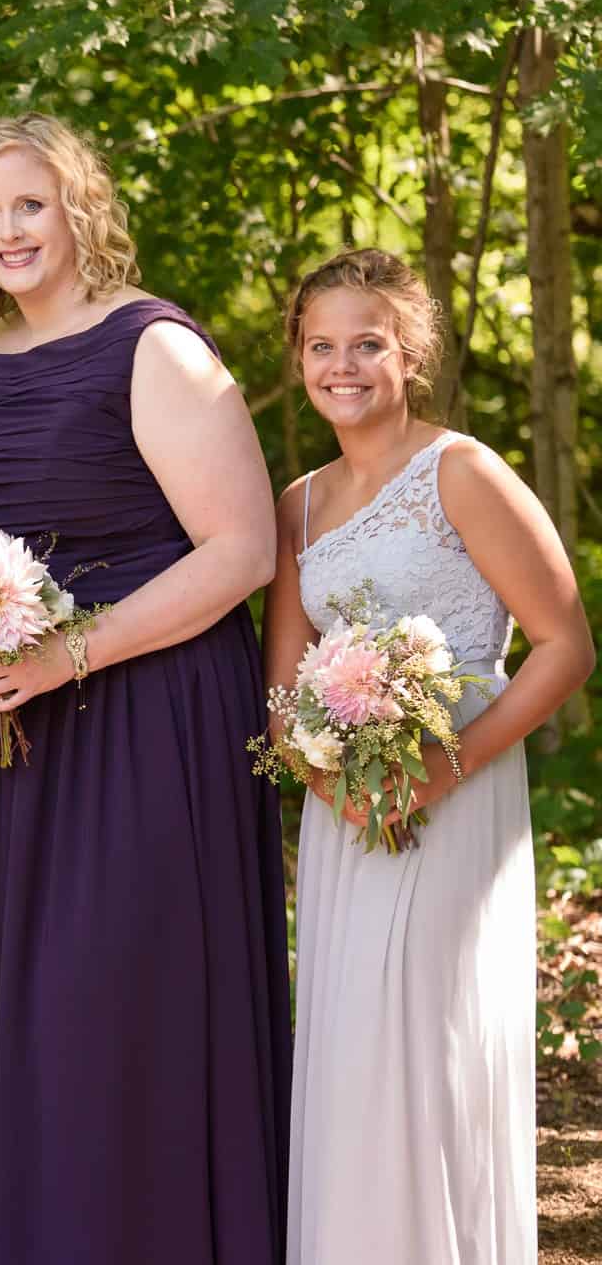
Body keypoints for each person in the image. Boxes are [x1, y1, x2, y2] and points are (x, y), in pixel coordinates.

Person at [0, 112, 290, 1263]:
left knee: (116, 1014)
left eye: (27, 203)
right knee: (28, 1026)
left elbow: (240, 551)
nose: (6, 230)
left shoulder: (153, 347)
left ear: (78, 206)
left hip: (147, 720)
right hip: (8, 738)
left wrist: (65, 656)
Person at [268, 248, 591, 1264]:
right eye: (321, 346)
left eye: (366, 343)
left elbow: (563, 647)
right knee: (350, 1052)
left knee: (433, 1046)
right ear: (298, 361)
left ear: (408, 354)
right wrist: (329, 780)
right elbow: (280, 687)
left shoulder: (461, 471)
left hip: (456, 792)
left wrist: (439, 770)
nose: (342, 365)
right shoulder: (297, 504)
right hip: (344, 815)